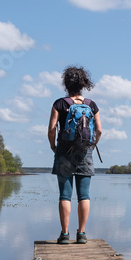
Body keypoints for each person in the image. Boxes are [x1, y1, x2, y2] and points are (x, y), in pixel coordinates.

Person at [48, 65, 102, 244]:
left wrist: (53, 146)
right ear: (83, 84)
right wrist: (91, 146)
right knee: (84, 195)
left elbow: (51, 129)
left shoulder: (60, 103)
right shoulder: (91, 105)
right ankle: (81, 234)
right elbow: (99, 130)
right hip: (85, 152)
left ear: (66, 83)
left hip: (64, 151)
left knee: (65, 195)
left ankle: (64, 234)